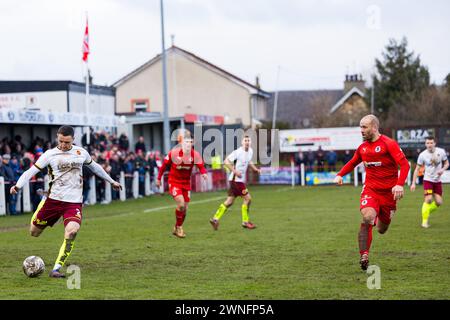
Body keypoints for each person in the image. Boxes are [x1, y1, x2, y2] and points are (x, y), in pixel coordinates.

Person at [10, 125, 122, 278]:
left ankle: (56, 269)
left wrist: (111, 181)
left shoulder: (81, 152)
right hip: (53, 201)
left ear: (73, 140)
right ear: (57, 137)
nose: (63, 145)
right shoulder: (50, 154)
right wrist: (17, 185)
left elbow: (95, 167)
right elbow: (31, 171)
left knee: (72, 231)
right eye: (61, 141)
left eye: (67, 142)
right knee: (34, 232)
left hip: (73, 203)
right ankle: (43, 201)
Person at [333, 115, 410, 271]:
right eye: (360, 127)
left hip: (389, 194)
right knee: (368, 217)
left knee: (382, 229)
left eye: (364, 127)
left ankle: (381, 220)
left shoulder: (389, 144)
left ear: (374, 127)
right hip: (371, 190)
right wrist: (340, 174)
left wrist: (399, 185)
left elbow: (405, 165)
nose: (361, 131)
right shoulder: (362, 148)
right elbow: (353, 162)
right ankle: (364, 255)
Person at [156, 129, 207, 238]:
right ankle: (179, 228)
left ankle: (176, 227)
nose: (188, 144)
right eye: (186, 142)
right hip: (174, 182)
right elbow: (163, 166)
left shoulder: (195, 154)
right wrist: (158, 178)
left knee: (185, 209)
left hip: (186, 183)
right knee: (181, 204)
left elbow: (201, 166)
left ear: (192, 143)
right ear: (181, 143)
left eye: (190, 142)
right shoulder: (174, 153)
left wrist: (204, 173)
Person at [210, 135, 261, 231]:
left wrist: (256, 169)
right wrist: (235, 171)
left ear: (250, 142)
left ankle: (215, 219)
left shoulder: (250, 151)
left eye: (248, 140)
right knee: (248, 199)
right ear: (242, 142)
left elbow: (249, 161)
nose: (247, 142)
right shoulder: (238, 152)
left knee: (229, 202)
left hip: (237, 180)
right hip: (235, 180)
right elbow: (226, 161)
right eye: (245, 140)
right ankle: (245, 221)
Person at [410, 137, 448, 228]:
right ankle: (424, 222)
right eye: (427, 143)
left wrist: (442, 169)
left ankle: (425, 211)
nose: (429, 145)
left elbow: (447, 163)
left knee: (439, 202)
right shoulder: (422, 155)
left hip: (437, 181)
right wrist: (413, 183)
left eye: (431, 143)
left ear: (435, 143)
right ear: (425, 144)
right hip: (428, 180)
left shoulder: (441, 152)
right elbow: (417, 169)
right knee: (429, 199)